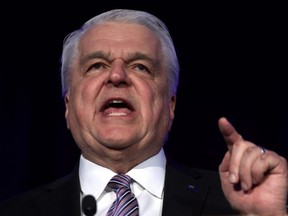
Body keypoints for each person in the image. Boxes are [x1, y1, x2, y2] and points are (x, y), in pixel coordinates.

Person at [0, 8, 287, 216]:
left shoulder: (237, 205)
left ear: (170, 104)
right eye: (96, 65)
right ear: (67, 105)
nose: (116, 76)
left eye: (141, 67)